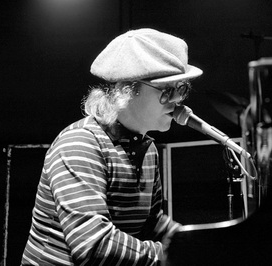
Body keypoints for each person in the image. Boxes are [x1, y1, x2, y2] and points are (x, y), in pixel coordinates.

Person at [21, 28, 203, 265]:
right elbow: (96, 246)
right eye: (168, 91)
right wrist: (173, 255)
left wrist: (197, 244)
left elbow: (150, 223)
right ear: (129, 90)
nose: (178, 101)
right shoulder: (80, 144)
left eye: (182, 89)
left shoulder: (147, 149)